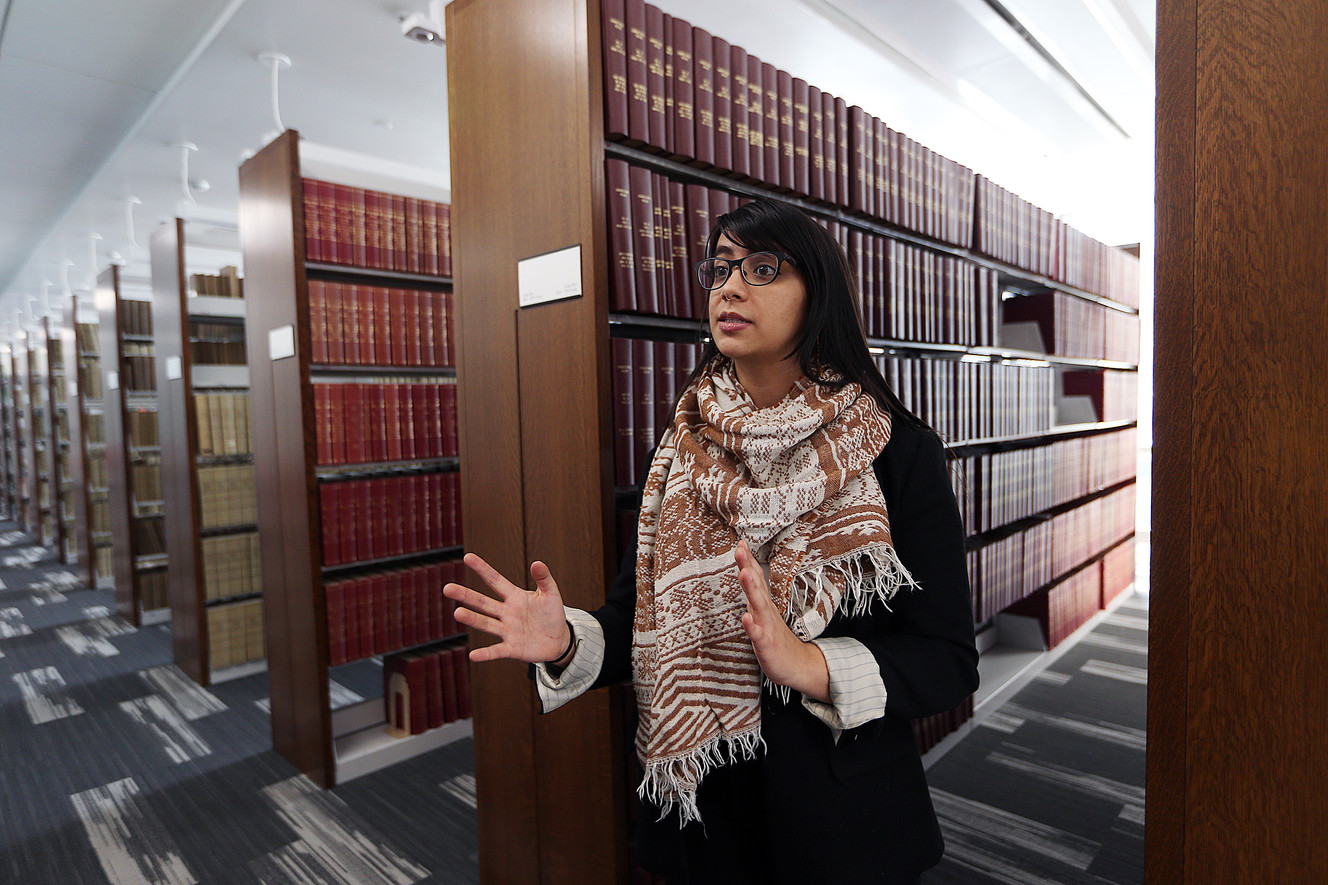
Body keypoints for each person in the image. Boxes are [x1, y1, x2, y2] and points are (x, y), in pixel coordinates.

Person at [443, 198, 979, 884]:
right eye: (721, 268)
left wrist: (808, 662)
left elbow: (945, 660)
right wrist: (569, 641)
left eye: (763, 268)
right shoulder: (679, 452)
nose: (729, 287)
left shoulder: (896, 452)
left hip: (839, 814)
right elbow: (638, 617)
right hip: (703, 809)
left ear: (820, 293)